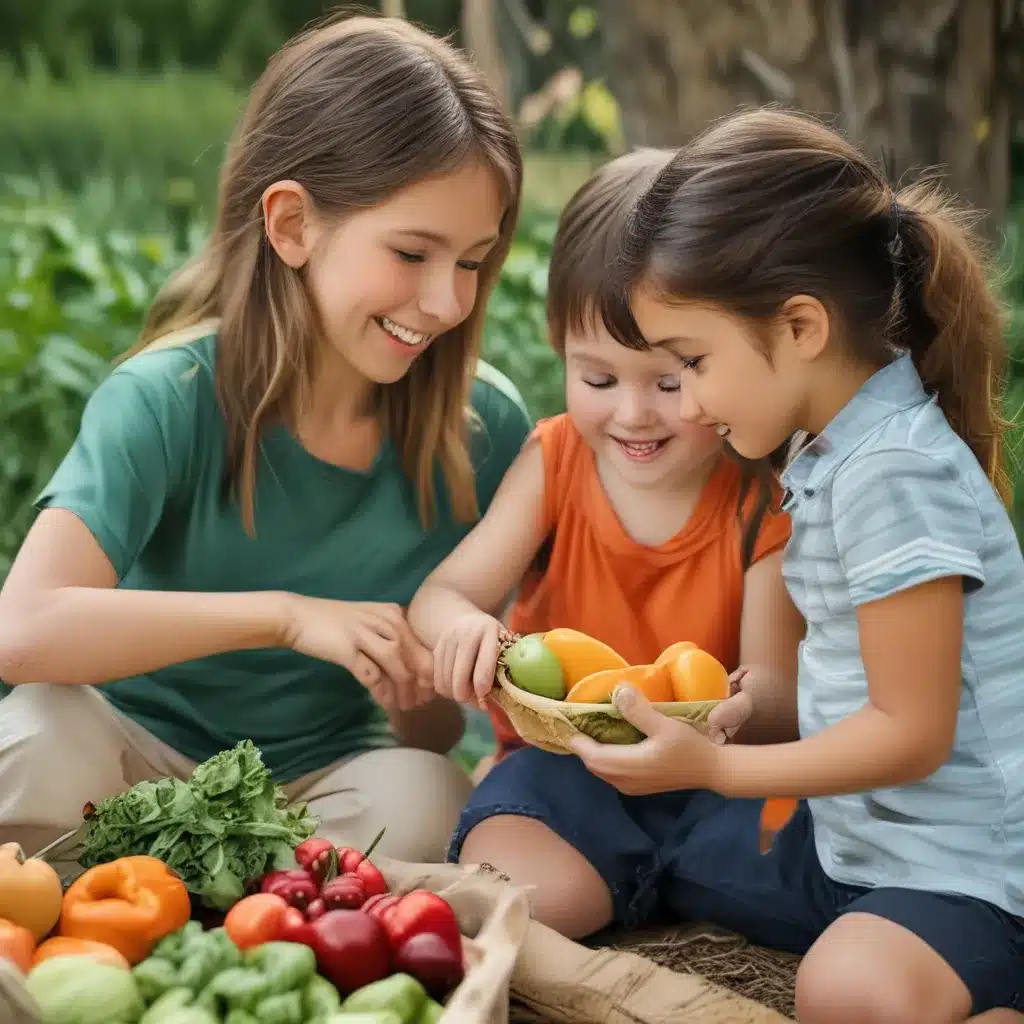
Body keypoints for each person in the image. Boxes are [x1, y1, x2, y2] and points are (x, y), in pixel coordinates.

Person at [0, 13, 530, 866]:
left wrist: (411, 684)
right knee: (35, 735)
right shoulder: (167, 397)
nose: (446, 302)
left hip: (315, 784)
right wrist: (285, 620)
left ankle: (210, 903)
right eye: (412, 252)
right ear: (291, 225)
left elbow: (431, 733)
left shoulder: (482, 428)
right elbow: (22, 630)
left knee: (428, 798)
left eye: (471, 261)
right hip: (127, 748)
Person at [563, 108, 1024, 1023]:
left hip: (969, 872)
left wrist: (720, 772)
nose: (685, 400)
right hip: (857, 850)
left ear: (801, 325)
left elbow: (913, 733)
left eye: (691, 362)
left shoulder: (893, 473)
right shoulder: (836, 448)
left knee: (842, 991)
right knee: (659, 844)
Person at [407, 148, 805, 937]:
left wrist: (723, 713)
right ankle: (628, 888)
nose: (632, 415)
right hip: (563, 779)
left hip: (710, 783)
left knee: (825, 876)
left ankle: (670, 884)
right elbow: (441, 596)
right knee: (541, 903)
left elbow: (778, 706)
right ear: (559, 349)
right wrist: (465, 629)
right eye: (597, 380)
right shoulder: (557, 461)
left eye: (669, 382)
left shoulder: (758, 496)